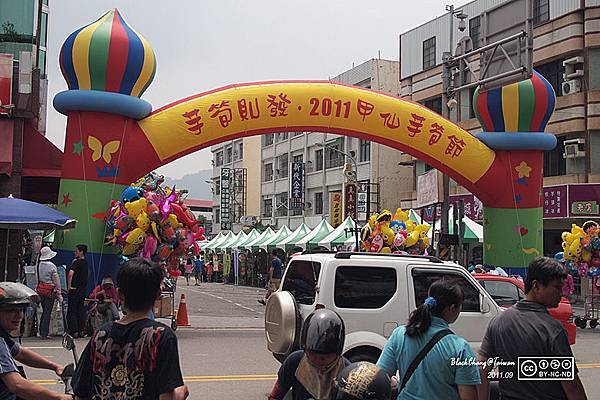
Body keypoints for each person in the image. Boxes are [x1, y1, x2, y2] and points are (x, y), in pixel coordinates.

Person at [72, 257, 189, 400]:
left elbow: (80, 393)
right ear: (158, 294)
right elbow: (167, 396)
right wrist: (180, 393)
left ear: (119, 294)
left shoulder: (101, 334)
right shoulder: (162, 336)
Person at [477, 257, 588, 400]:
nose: (561, 293)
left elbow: (481, 369)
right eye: (557, 287)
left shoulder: (498, 322)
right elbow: (571, 386)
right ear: (536, 286)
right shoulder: (552, 329)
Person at [377, 280, 480, 400]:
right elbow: (468, 396)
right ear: (452, 308)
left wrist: (395, 382)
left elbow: (380, 376)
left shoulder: (399, 334)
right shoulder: (460, 348)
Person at [0, 282, 71, 400]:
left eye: (21, 310)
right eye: (11, 310)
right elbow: (17, 385)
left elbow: (20, 353)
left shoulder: (3, 338)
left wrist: (55, 366)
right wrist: (58, 397)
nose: (19, 315)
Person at [268, 308, 350, 400]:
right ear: (305, 350)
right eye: (313, 355)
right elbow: (275, 395)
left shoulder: (348, 372)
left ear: (337, 354)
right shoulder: (295, 361)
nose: (318, 360)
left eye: (325, 357)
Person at [36, 246, 62, 340]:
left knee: (43, 312)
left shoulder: (39, 264)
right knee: (47, 312)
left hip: (41, 290)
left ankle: (40, 331)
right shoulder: (52, 266)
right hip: (49, 291)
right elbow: (56, 280)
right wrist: (59, 292)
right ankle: (44, 333)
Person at [67, 244, 89, 338]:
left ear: (81, 252)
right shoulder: (86, 263)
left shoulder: (76, 262)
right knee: (81, 310)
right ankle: (81, 331)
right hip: (82, 290)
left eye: (76, 251)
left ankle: (74, 331)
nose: (75, 252)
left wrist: (69, 286)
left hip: (74, 289)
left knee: (72, 310)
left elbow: (70, 274)